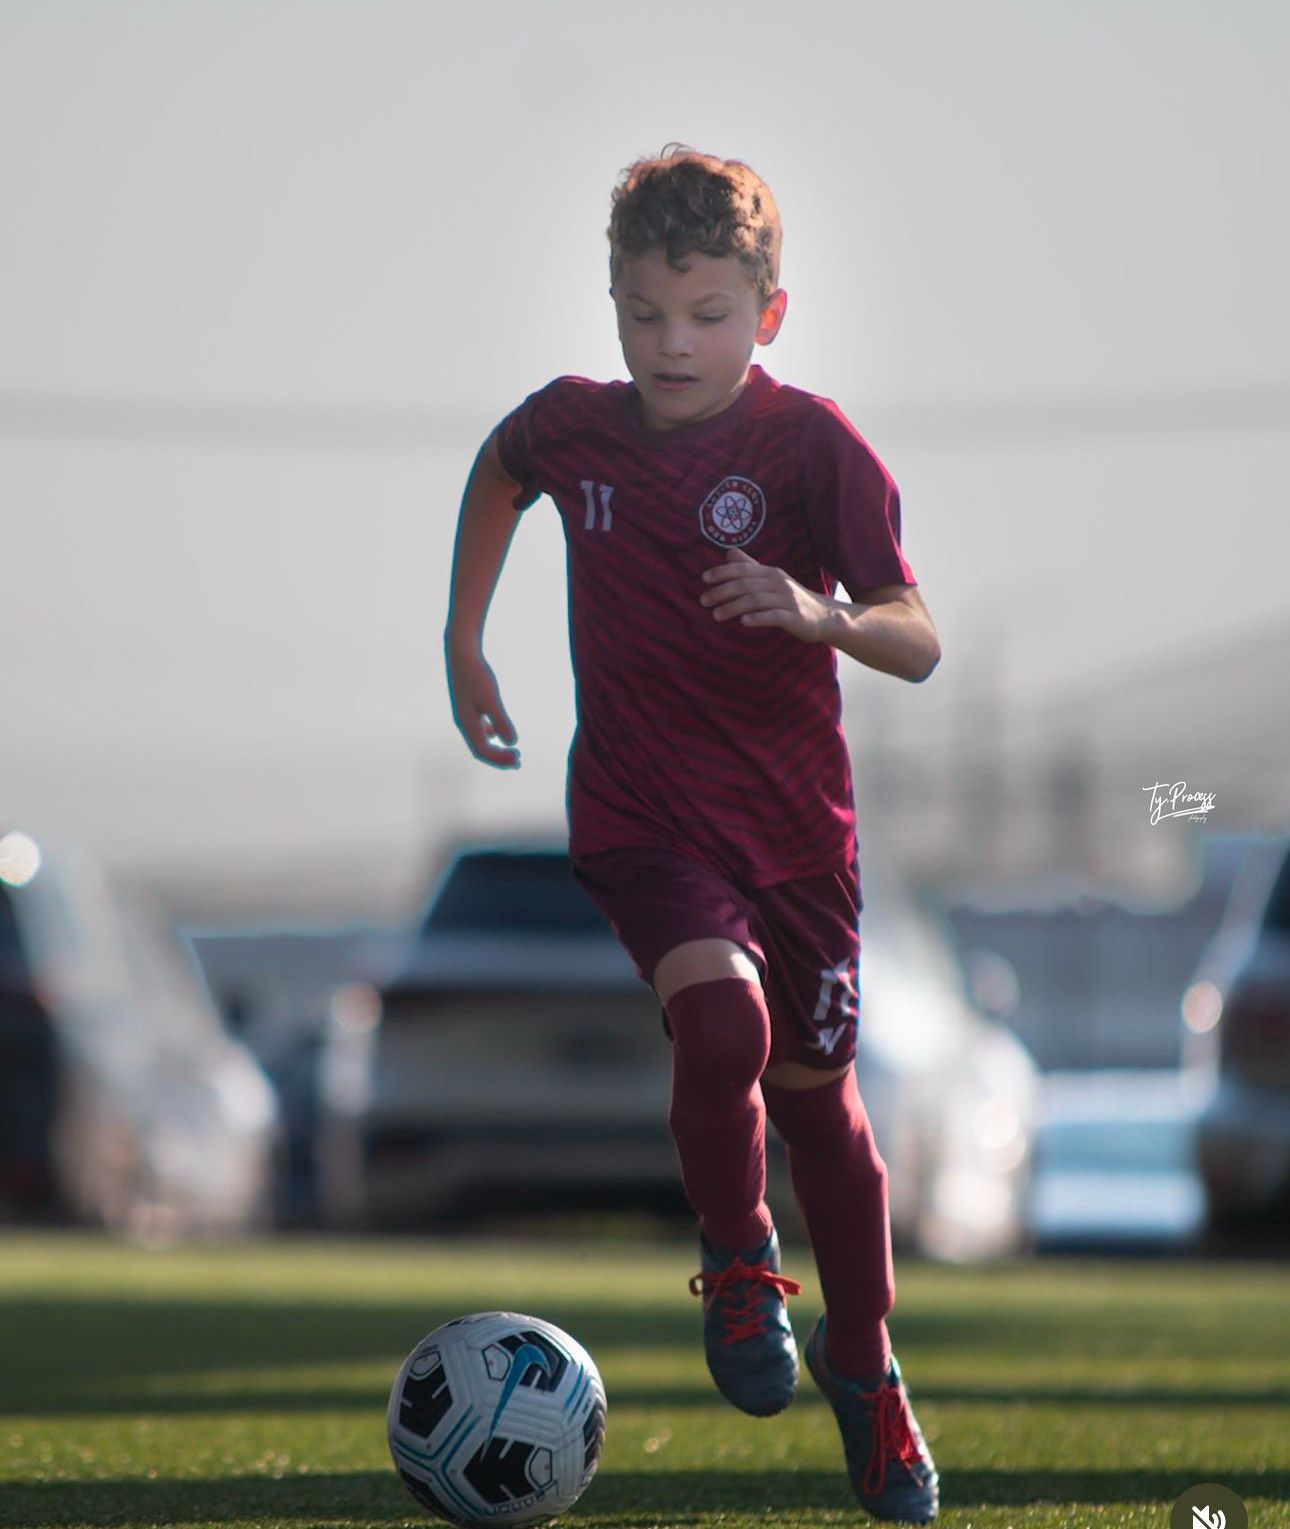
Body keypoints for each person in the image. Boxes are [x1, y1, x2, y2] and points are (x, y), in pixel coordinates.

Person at [444, 144, 942, 1523]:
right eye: (645, 312)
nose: (673, 343)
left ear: (766, 312)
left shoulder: (810, 447)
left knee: (821, 1110)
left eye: (706, 314)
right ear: (611, 301)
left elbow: (916, 634)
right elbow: (502, 466)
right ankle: (736, 1260)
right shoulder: (574, 427)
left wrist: (823, 611)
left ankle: (869, 1371)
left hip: (796, 841)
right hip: (640, 817)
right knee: (719, 1028)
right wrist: (463, 637)